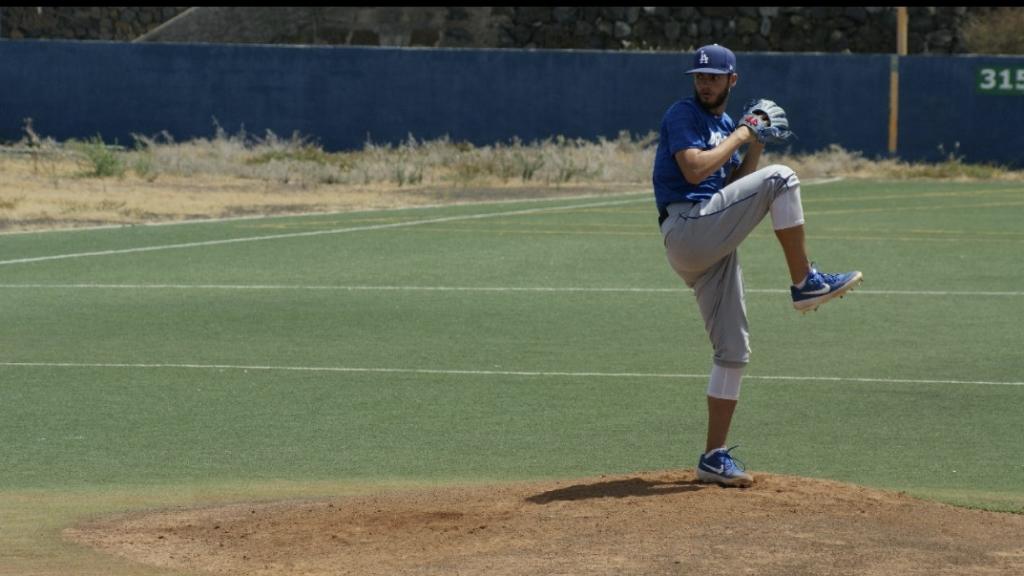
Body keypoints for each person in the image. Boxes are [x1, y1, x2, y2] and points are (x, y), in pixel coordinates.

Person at [652, 44, 862, 487]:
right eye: (699, 76)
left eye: (713, 76)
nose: (704, 83)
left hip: (712, 240)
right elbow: (693, 172)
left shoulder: (728, 125)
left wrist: (754, 143)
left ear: (733, 80)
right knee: (783, 178)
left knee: (733, 352)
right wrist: (744, 135)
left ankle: (712, 457)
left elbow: (733, 186)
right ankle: (804, 281)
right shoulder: (682, 115)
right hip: (688, 226)